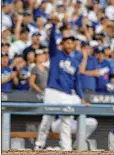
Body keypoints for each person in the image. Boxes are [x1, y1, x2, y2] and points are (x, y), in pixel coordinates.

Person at [34, 15, 86, 151]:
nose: (70, 45)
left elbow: (77, 82)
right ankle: (39, 145)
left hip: (66, 95)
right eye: (67, 43)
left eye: (72, 43)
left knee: (66, 121)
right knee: (47, 119)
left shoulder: (75, 61)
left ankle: (66, 147)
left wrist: (81, 97)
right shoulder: (56, 54)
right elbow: (51, 41)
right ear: (62, 44)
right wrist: (54, 26)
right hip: (52, 91)